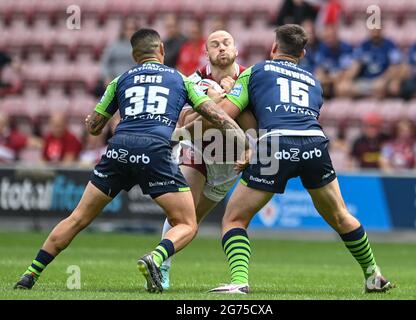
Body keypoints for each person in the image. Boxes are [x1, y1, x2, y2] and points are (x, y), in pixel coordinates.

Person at [14, 29, 248, 293]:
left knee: (77, 218)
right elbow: (215, 115)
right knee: (187, 222)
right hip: (154, 151)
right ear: (161, 50)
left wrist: (100, 118)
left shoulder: (120, 79)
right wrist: (246, 144)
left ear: (135, 56)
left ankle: (29, 274)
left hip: (119, 150)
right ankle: (156, 258)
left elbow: (93, 126)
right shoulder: (180, 79)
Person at [180, 24, 394, 294]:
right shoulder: (314, 82)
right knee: (340, 215)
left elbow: (224, 114)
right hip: (315, 144)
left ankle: (238, 282)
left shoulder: (257, 70)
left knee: (234, 219)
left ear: (273, 48)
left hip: (276, 144)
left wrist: (185, 129)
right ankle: (373, 274)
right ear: (302, 53)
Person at [159, 30, 256, 290]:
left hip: (230, 164)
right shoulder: (194, 81)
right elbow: (186, 125)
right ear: (207, 52)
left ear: (236, 49)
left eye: (227, 43)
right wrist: (220, 102)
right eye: (215, 44)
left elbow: (255, 123)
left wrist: (228, 99)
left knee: (193, 222)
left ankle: (159, 258)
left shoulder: (250, 78)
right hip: (199, 152)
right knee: (184, 214)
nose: (221, 48)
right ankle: (161, 266)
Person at [337, 27, 402, 98]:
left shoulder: (390, 45)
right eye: (372, 28)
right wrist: (348, 79)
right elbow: (355, 65)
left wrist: (384, 79)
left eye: (377, 28)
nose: (375, 31)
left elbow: (395, 67)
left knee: (380, 87)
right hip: (365, 80)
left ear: (382, 29)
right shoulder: (363, 46)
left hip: (381, 80)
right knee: (343, 88)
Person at [314, 24, 354, 98]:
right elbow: (319, 71)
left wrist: (331, 79)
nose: (329, 40)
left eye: (331, 37)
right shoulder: (322, 48)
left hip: (343, 79)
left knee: (343, 87)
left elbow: (347, 72)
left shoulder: (346, 48)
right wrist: (329, 79)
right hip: (330, 79)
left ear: (336, 36)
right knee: (316, 85)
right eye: (326, 38)